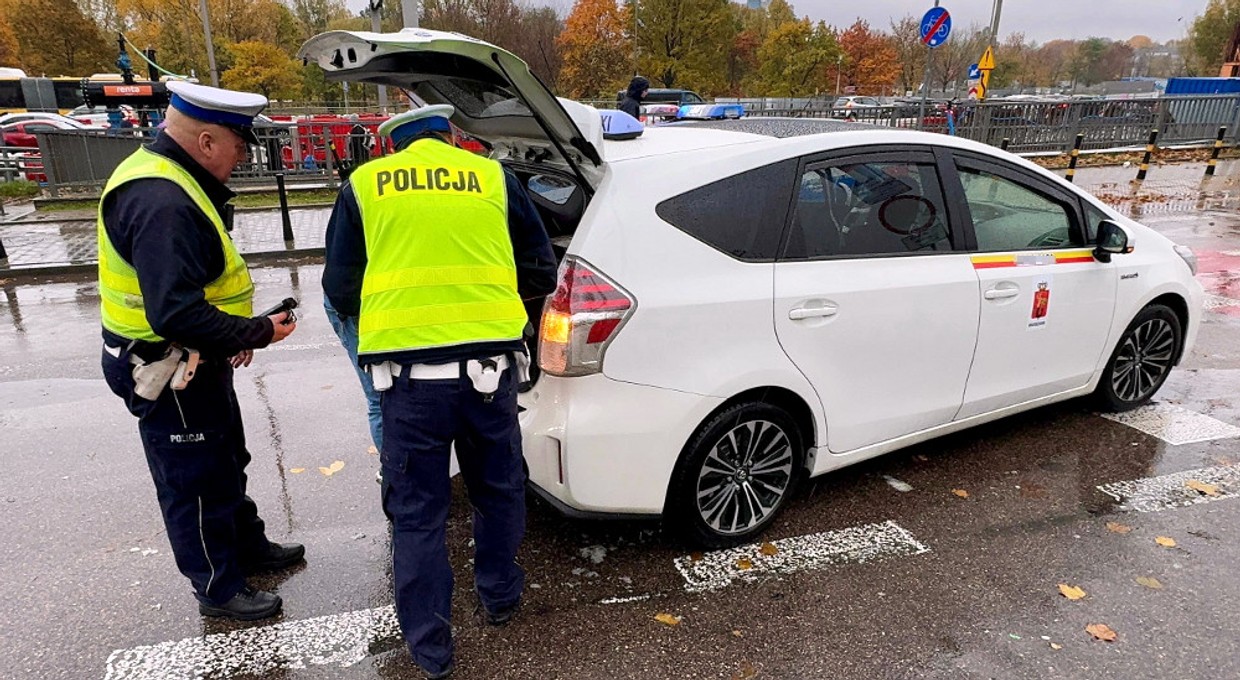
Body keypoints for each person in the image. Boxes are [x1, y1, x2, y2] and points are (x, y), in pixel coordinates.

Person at [322, 105, 556, 679]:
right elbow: (540, 271)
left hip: (410, 385)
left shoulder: (365, 186)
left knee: (419, 515)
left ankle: (431, 649)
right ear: (452, 136)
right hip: (489, 375)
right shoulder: (494, 178)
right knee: (498, 491)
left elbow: (340, 287)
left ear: (391, 147)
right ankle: (500, 598)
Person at [98, 80, 304, 622]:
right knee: (194, 480)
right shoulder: (161, 200)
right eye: (240, 145)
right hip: (165, 368)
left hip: (192, 360)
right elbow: (176, 313)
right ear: (208, 142)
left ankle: (244, 546)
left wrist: (235, 334)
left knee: (225, 458)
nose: (243, 156)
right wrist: (254, 333)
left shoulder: (172, 179)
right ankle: (217, 585)